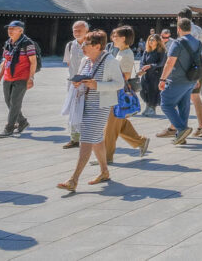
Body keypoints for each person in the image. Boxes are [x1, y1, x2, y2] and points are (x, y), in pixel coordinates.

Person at [57, 29, 124, 192]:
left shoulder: (110, 61)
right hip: (83, 103)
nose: (83, 47)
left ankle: (74, 179)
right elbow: (82, 76)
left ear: (97, 46)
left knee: (86, 139)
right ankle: (104, 172)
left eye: (86, 44)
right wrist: (77, 82)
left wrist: (97, 85)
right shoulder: (86, 60)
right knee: (96, 139)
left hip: (100, 106)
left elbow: (119, 83)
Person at [102, 26, 149, 164]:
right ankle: (141, 141)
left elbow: (126, 75)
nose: (112, 38)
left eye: (115, 36)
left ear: (123, 38)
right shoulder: (121, 52)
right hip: (115, 91)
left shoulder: (127, 54)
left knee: (111, 126)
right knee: (120, 123)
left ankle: (106, 157)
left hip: (118, 93)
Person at [157, 18, 202, 146]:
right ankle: (180, 137)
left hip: (177, 79)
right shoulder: (198, 43)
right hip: (191, 79)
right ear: (190, 28)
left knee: (165, 103)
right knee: (184, 106)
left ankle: (181, 129)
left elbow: (170, 62)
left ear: (178, 29)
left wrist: (162, 79)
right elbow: (199, 62)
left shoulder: (177, 43)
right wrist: (198, 79)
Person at [0, 21, 37, 138]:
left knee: (15, 103)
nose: (10, 31)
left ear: (21, 30)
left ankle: (9, 127)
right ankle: (22, 122)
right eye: (9, 29)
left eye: (13, 29)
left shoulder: (28, 43)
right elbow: (5, 62)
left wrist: (31, 78)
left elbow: (33, 62)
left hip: (22, 77)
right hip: (8, 77)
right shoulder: (8, 43)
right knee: (9, 102)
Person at [180, 7, 202, 137]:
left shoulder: (184, 31)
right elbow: (201, 49)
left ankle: (180, 127)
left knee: (181, 98)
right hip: (199, 66)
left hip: (187, 68)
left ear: (181, 17)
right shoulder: (199, 30)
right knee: (195, 97)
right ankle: (201, 127)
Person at [62, 21, 88, 148]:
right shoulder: (70, 45)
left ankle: (86, 138)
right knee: (73, 110)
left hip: (87, 84)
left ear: (86, 31)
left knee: (86, 110)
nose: (76, 33)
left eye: (79, 30)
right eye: (74, 30)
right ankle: (74, 138)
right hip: (73, 83)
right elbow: (69, 63)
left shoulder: (91, 44)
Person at [138, 33, 166, 116]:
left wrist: (150, 66)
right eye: (149, 39)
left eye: (153, 40)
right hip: (146, 75)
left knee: (153, 92)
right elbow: (142, 62)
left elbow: (161, 63)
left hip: (156, 75)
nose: (150, 41)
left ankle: (152, 108)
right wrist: (142, 68)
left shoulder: (162, 51)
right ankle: (147, 106)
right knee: (144, 91)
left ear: (158, 42)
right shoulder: (147, 51)